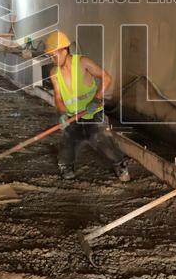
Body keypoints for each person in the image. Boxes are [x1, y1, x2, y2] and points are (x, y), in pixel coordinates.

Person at [45, 30, 132, 182]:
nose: (52, 58)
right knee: (67, 142)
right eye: (50, 55)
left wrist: (96, 99)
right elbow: (58, 97)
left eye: (54, 53)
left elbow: (106, 78)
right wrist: (62, 114)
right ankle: (66, 167)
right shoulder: (54, 73)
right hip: (73, 117)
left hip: (93, 114)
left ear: (65, 50)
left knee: (101, 139)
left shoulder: (83, 62)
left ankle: (120, 164)